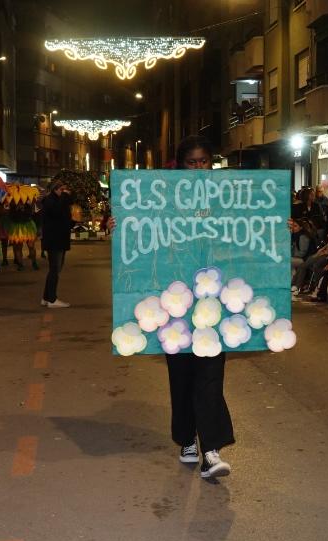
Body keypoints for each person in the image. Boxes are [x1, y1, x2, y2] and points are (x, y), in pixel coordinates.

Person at [108, 135, 235, 480]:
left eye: (204, 161)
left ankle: (210, 449)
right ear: (180, 165)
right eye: (191, 162)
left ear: (212, 163)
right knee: (181, 374)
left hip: (215, 301)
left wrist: (279, 229)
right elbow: (140, 236)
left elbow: (250, 233)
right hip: (174, 302)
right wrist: (120, 230)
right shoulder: (162, 200)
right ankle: (187, 440)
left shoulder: (228, 197)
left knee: (210, 375)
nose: (198, 168)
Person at [39, 182, 73, 308]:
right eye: (63, 190)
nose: (65, 193)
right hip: (54, 241)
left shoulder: (56, 200)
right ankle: (52, 299)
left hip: (58, 240)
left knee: (54, 269)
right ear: (57, 189)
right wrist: (64, 197)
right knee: (55, 269)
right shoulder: (51, 201)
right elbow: (57, 213)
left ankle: (46, 297)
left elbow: (63, 217)